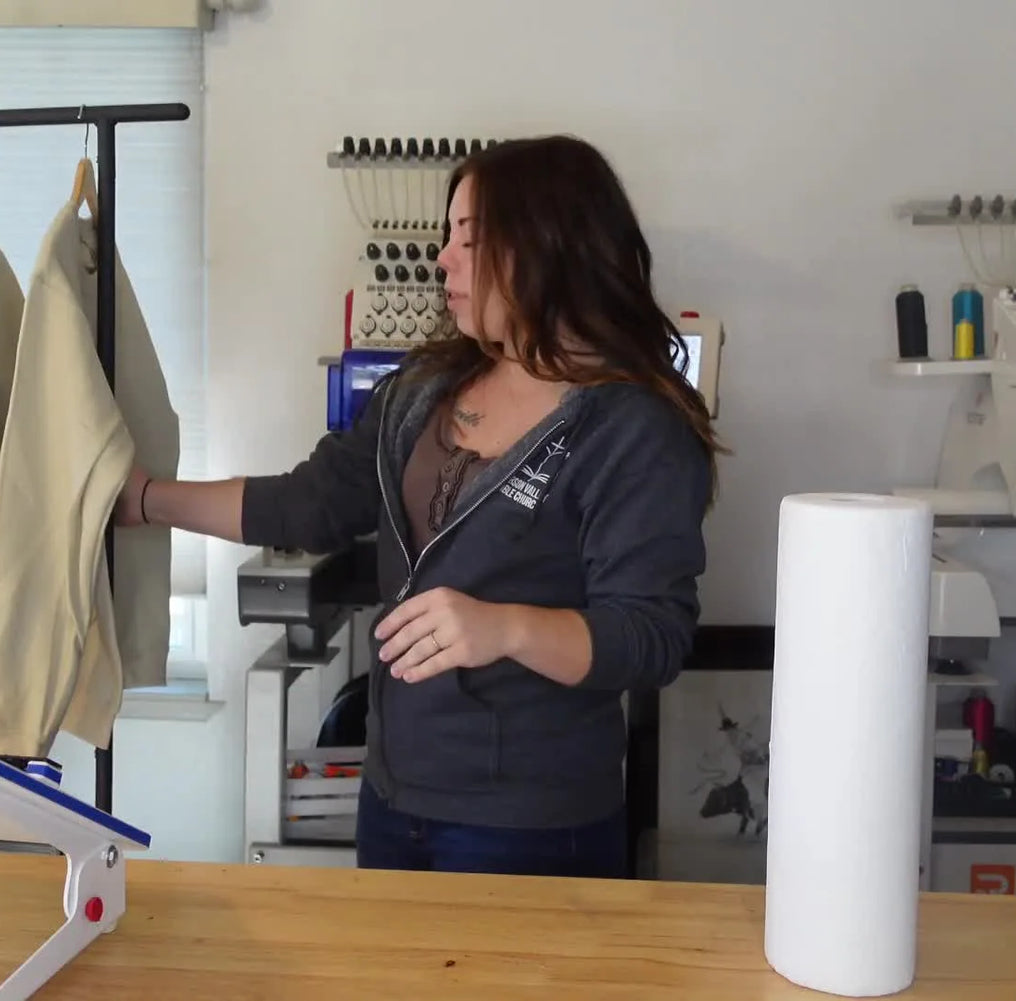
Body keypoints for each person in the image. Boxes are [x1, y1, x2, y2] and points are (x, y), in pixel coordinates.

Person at [115, 134, 721, 879]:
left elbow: (650, 637)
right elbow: (310, 503)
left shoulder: (631, 428)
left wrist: (502, 626)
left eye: (471, 237)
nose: (443, 259)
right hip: (393, 797)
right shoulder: (423, 390)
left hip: (530, 823)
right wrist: (145, 499)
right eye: (447, 235)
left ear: (549, 244)